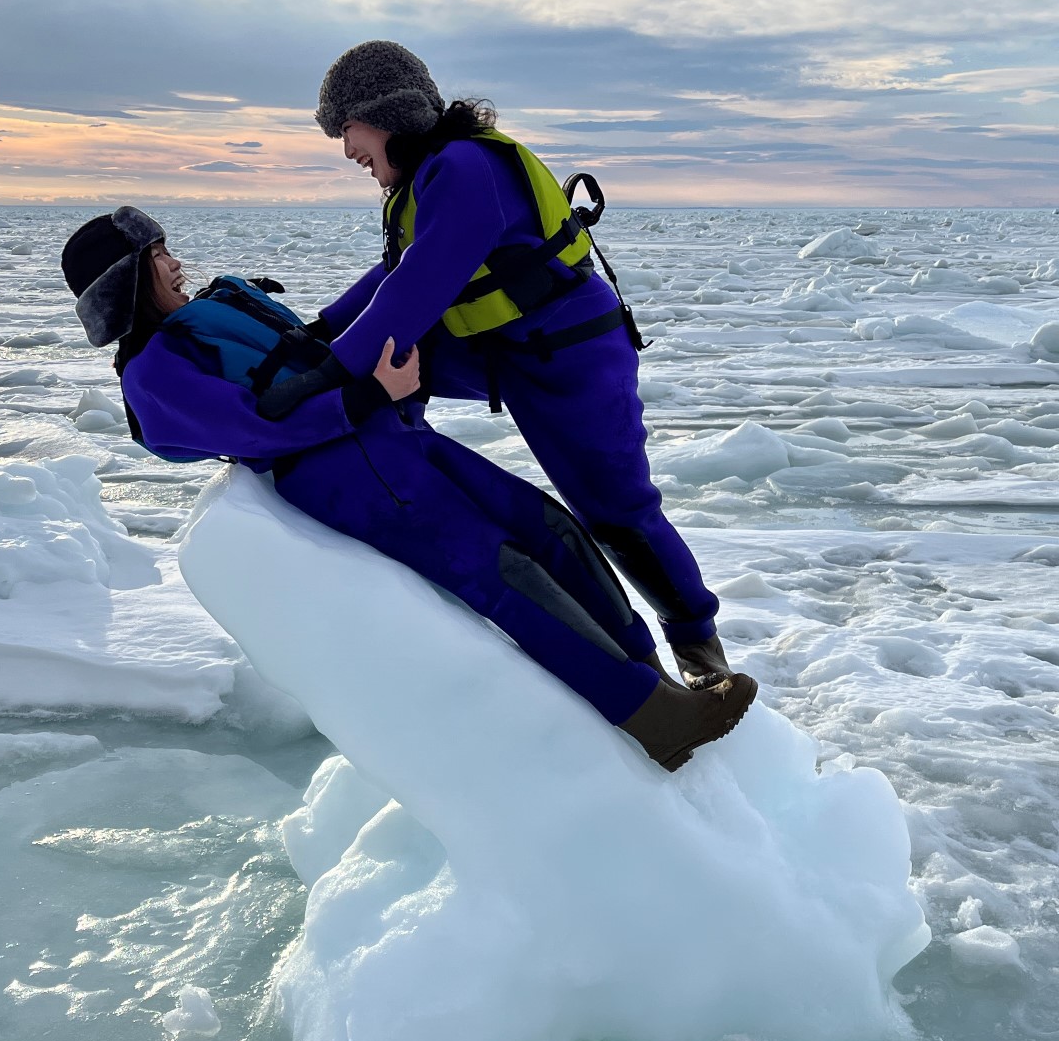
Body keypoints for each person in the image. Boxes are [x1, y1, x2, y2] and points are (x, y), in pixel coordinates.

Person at [61, 205, 757, 771]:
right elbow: (258, 428)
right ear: (127, 281)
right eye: (158, 257)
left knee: (550, 530)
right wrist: (369, 396)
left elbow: (313, 347)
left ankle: (652, 679)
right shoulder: (151, 373)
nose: (176, 263)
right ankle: (651, 717)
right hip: (349, 475)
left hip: (395, 441)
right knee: (502, 574)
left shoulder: (196, 327)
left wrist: (419, 258)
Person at [299, 39, 735, 692]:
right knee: (384, 377)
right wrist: (316, 334)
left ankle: (700, 656)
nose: (347, 150)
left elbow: (415, 292)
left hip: (573, 358)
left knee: (616, 514)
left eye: (348, 130)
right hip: (496, 351)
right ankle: (414, 515)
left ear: (387, 114)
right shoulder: (426, 178)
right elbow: (392, 277)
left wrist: (315, 379)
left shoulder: (468, 170)